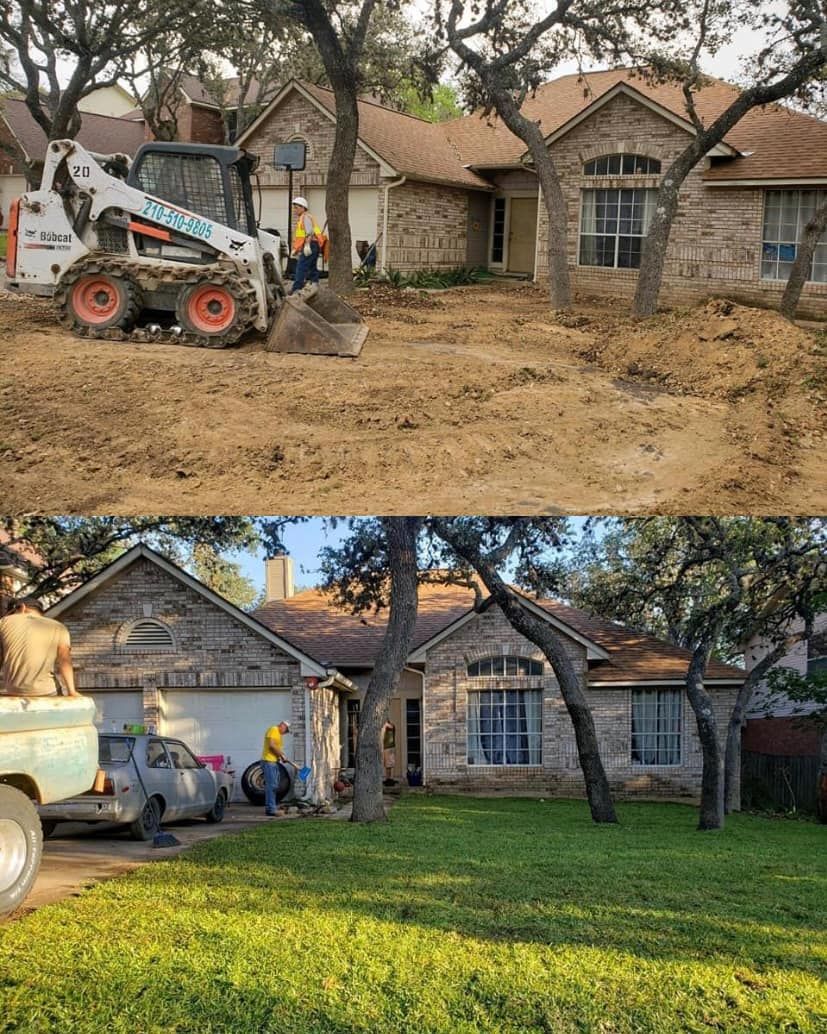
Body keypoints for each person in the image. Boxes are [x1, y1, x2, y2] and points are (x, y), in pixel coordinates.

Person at [0, 596, 79, 697]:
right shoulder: (59, 627)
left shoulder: (4, 622)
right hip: (47, 691)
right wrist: (71, 691)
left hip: (13, 691)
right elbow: (64, 660)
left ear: (22, 607)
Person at [261, 720, 295, 816]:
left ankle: (271, 807)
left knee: (274, 785)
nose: (286, 733)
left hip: (273, 762)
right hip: (268, 761)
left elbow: (275, 750)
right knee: (271, 786)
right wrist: (281, 754)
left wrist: (280, 757)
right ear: (282, 725)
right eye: (286, 730)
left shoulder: (278, 735)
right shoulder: (274, 729)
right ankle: (271, 809)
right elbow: (271, 746)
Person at [289, 196, 322, 295]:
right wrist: (297, 249)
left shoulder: (305, 217)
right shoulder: (306, 217)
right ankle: (314, 284)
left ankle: (296, 289)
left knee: (301, 267)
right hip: (314, 244)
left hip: (310, 244)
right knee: (312, 266)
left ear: (303, 208)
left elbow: (309, 232)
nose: (295, 210)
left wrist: (307, 245)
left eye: (296, 207)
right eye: (294, 207)